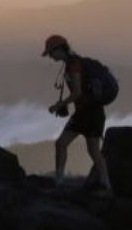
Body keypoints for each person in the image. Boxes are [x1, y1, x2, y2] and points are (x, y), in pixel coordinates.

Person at [43, 34, 113, 196]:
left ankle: (103, 185)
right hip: (89, 112)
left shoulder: (74, 65)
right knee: (86, 149)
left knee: (81, 148)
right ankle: (104, 185)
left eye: (51, 53)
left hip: (89, 113)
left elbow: (77, 93)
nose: (50, 56)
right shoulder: (71, 63)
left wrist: (59, 105)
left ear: (60, 49)